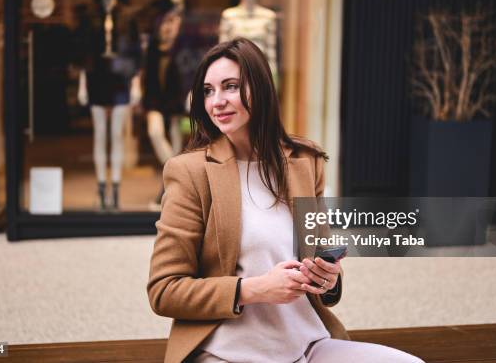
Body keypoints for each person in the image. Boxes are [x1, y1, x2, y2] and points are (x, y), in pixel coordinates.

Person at [147, 38, 424, 363]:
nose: (217, 101)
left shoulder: (304, 162)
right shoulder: (190, 172)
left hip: (307, 345)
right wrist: (253, 289)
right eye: (208, 91)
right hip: (227, 351)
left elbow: (321, 257)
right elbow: (164, 290)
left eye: (231, 87)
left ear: (261, 88)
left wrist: (328, 279)